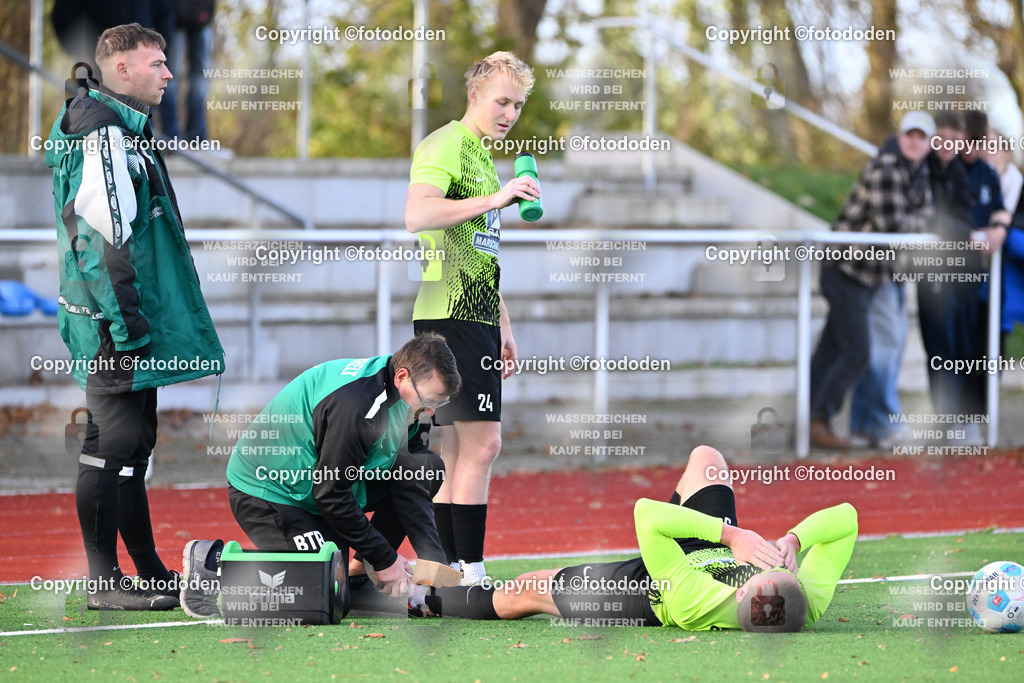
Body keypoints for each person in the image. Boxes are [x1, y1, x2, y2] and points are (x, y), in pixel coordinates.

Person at [45, 23, 225, 610]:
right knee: (108, 447)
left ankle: (146, 570)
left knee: (132, 447)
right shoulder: (101, 131)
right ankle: (104, 583)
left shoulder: (122, 127)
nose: (169, 74)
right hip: (112, 323)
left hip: (122, 317)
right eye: (156, 63)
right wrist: (125, 327)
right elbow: (101, 242)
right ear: (121, 69)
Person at [417, 446, 857, 632]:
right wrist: (794, 541)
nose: (753, 573)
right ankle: (679, 537)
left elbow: (645, 514)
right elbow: (847, 518)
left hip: (646, 588)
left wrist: (732, 534)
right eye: (765, 571)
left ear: (741, 596)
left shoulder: (692, 599)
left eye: (751, 580)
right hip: (705, 549)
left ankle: (424, 600)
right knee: (707, 457)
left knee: (524, 591)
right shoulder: (806, 599)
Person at [178, 334, 462, 619]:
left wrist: (433, 565)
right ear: (401, 377)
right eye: (429, 400)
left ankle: (356, 578)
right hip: (271, 491)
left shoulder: (415, 402)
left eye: (441, 403)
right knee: (322, 595)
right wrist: (385, 558)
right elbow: (331, 495)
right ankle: (212, 564)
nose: (431, 411)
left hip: (325, 486)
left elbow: (410, 481)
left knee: (427, 469)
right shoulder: (357, 407)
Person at [404, 52, 540, 584]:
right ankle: (471, 571)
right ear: (475, 95)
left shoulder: (483, 157)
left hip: (475, 317)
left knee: (458, 449)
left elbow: (480, 256)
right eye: (502, 101)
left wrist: (503, 327)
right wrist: (497, 198)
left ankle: (446, 570)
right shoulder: (446, 144)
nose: (510, 114)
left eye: (518, 105)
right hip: (448, 315)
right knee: (484, 444)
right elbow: (417, 214)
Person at [809, 111, 933, 449]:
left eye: (921, 137)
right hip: (845, 270)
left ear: (928, 144)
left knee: (832, 349)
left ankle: (810, 420)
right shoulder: (887, 167)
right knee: (857, 352)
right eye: (910, 134)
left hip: (868, 276)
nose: (914, 142)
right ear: (900, 135)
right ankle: (818, 419)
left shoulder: (919, 173)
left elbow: (918, 217)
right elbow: (892, 227)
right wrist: (923, 221)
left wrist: (919, 219)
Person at [914, 112, 974, 422]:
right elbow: (926, 218)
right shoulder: (920, 170)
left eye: (954, 139)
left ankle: (959, 418)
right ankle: (943, 419)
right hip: (930, 272)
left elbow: (967, 222)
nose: (948, 145)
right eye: (942, 138)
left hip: (961, 275)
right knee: (938, 348)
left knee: (961, 346)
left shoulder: (962, 173)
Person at [958, 113, 1011, 438]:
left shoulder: (992, 177)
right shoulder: (953, 169)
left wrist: (999, 231)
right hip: (960, 280)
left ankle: (977, 420)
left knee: (988, 350)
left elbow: (1003, 214)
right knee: (961, 349)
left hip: (992, 286)